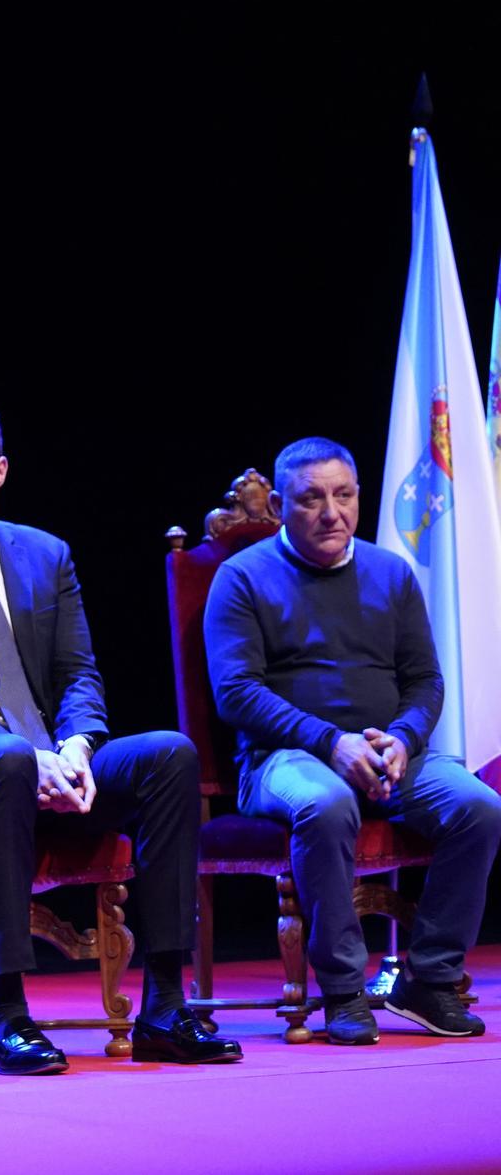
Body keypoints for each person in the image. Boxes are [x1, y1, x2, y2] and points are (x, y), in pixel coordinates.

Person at [0, 399, 240, 1074]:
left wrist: (79, 747)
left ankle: (167, 1006)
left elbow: (78, 673)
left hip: (46, 755)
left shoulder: (46, 553)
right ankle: (8, 1015)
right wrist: (32, 758)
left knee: (169, 754)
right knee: (2, 759)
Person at [205, 436, 500, 1044]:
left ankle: (432, 980)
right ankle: (343, 990)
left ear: (360, 498)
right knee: (325, 803)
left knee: (478, 808)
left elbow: (424, 679)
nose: (331, 512)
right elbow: (236, 693)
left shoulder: (390, 572)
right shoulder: (241, 579)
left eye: (343, 496)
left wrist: (403, 737)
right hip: (283, 758)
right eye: (312, 499)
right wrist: (331, 742)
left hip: (389, 752)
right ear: (282, 505)